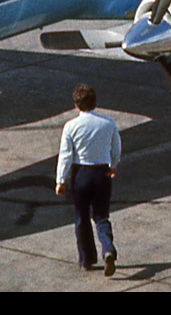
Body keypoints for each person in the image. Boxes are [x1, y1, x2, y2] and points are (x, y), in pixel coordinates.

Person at [56, 83, 121, 275]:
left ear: (76, 105)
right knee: (101, 216)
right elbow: (116, 147)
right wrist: (113, 165)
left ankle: (86, 259)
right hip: (102, 174)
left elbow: (65, 155)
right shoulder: (108, 123)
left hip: (81, 175)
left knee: (81, 218)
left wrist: (60, 180)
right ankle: (108, 248)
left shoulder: (70, 126)